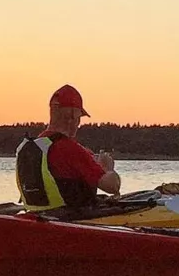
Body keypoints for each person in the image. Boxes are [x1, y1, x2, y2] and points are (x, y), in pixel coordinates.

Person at [15, 84, 122, 212]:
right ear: (72, 117)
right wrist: (107, 167)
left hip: (40, 215)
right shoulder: (70, 149)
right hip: (71, 219)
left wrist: (86, 157)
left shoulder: (34, 146)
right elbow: (112, 186)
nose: (78, 123)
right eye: (79, 118)